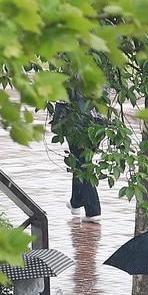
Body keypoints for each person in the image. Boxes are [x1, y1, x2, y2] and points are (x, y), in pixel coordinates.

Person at [50, 93, 104, 222]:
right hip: (98, 122)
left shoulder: (74, 75)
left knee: (81, 163)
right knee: (81, 161)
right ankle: (76, 201)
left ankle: (93, 210)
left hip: (77, 122)